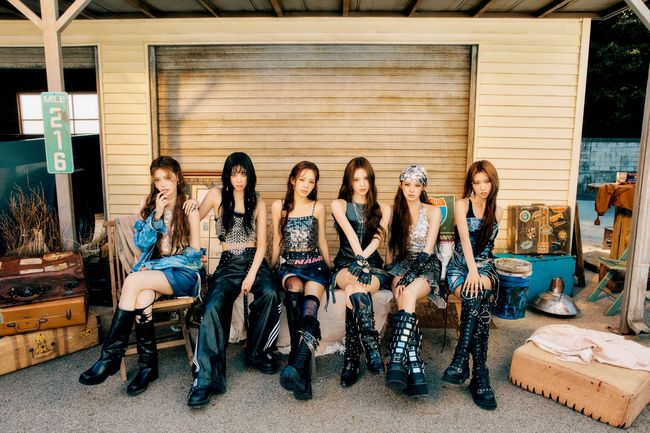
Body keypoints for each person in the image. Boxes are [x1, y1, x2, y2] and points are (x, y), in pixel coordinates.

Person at [79, 156, 202, 396]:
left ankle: (110, 357)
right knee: (142, 297)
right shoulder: (150, 206)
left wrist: (155, 265)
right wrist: (156, 216)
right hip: (157, 276)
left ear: (178, 177)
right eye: (157, 180)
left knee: (134, 280)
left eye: (167, 178)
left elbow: (194, 256)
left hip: (184, 275)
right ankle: (148, 367)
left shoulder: (189, 208)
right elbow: (141, 244)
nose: (162, 184)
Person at [185, 152, 282, 408]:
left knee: (271, 292)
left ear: (250, 176)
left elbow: (262, 245)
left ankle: (256, 352)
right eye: (234, 173)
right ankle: (206, 379)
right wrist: (191, 205)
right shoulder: (216, 195)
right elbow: (194, 217)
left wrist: (251, 275)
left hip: (253, 261)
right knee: (213, 305)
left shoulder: (258, 202)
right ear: (228, 175)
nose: (239, 179)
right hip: (228, 263)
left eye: (243, 173)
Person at [441, 160, 502, 410]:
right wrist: (472, 272)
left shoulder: (497, 210)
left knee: (477, 294)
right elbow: (465, 241)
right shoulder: (462, 205)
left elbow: (488, 250)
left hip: (486, 267)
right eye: (477, 182)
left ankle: (460, 359)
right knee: (478, 298)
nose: (482, 187)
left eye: (486, 181)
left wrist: (478, 272)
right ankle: (480, 374)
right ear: (471, 184)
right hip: (460, 266)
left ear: (493, 182)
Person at [271, 161, 331, 401]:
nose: (306, 185)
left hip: (314, 265)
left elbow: (322, 240)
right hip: (290, 266)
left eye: (311, 181)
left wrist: (330, 267)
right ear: (293, 180)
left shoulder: (318, 207)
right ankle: (300, 365)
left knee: (309, 313)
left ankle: (297, 367)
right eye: (302, 179)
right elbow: (277, 239)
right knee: (294, 288)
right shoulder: (279, 207)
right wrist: (271, 266)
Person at [330, 157, 391, 387]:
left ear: (371, 180)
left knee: (355, 289)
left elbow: (377, 239)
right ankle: (371, 347)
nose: (362, 184)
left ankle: (352, 358)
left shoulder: (384, 208)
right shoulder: (339, 205)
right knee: (353, 282)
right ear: (349, 181)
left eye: (366, 178)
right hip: (345, 264)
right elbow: (350, 234)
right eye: (356, 179)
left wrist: (364, 262)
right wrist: (358, 261)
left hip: (373, 267)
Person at [385, 165, 441, 397]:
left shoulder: (433, 211)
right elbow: (390, 250)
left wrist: (407, 279)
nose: (411, 190)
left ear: (423, 187)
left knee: (407, 293)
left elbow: (428, 250)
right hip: (401, 265)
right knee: (402, 294)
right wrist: (391, 276)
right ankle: (414, 363)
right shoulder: (394, 212)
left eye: (417, 185)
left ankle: (397, 358)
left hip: (426, 266)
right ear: (401, 185)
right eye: (407, 185)